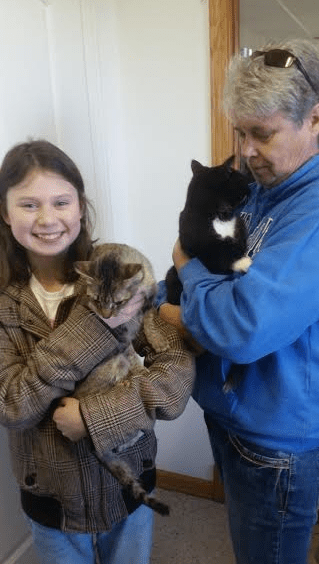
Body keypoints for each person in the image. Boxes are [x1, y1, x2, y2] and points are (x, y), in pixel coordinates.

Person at [158, 38, 319, 564]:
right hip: (242, 417)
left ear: (315, 119)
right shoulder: (271, 189)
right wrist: (160, 294)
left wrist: (183, 268)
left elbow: (241, 327)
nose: (246, 151)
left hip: (278, 444)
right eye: (240, 133)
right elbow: (221, 265)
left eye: (262, 134)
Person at [0, 139, 195, 564]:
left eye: (61, 202)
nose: (48, 219)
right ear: (5, 212)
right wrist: (94, 327)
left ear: (81, 208)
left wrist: (94, 416)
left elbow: (176, 376)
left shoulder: (120, 272)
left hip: (127, 482)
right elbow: (12, 404)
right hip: (49, 498)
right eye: (29, 205)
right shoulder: (5, 303)